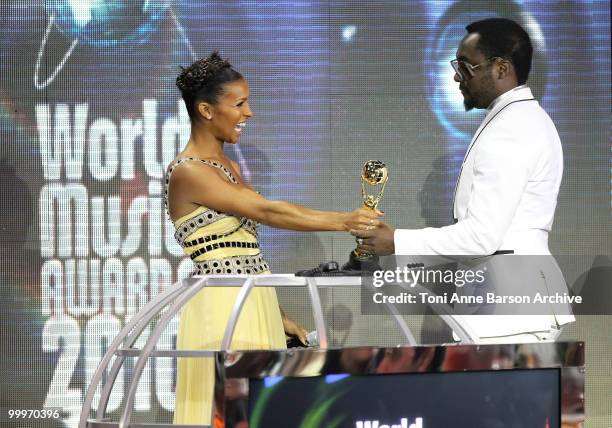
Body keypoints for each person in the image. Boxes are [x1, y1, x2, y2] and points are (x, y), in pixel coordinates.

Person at [166, 52, 381, 425]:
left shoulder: (228, 166)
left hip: (254, 301)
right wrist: (346, 221)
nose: (248, 113)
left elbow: (243, 253)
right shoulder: (188, 171)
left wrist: (278, 315)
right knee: (229, 413)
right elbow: (267, 212)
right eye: (239, 104)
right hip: (221, 310)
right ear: (205, 110)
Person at [352, 18, 574, 343]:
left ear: (501, 68)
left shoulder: (512, 129)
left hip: (511, 311)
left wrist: (398, 241)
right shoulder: (518, 119)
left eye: (466, 67)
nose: (457, 76)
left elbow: (482, 236)